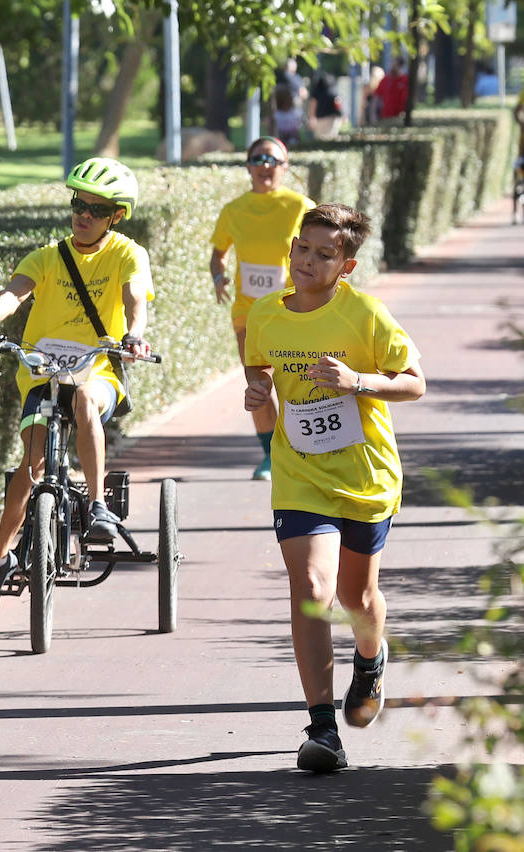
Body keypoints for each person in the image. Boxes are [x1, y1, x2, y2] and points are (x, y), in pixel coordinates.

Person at [243, 203, 426, 773]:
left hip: (365, 475)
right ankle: (323, 727)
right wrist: (258, 393)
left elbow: (416, 383)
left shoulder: (366, 315)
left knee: (357, 599)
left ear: (345, 266)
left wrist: (359, 381)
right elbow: (257, 363)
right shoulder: (267, 314)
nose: (308, 261)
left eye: (325, 255)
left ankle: (370, 659)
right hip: (300, 475)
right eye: (303, 248)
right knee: (312, 587)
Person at [0, 157, 153, 615]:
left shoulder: (128, 254)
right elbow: (16, 292)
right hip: (42, 375)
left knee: (86, 398)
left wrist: (134, 336)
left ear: (117, 216)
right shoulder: (48, 255)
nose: (83, 215)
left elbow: (134, 300)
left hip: (98, 372)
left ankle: (96, 506)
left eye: (96, 209)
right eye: (78, 204)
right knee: (30, 463)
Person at [209, 136, 315, 480]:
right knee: (257, 381)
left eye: (273, 160)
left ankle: (303, 449)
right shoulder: (234, 210)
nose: (265, 166)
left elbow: (324, 247)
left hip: (292, 309)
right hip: (249, 311)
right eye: (258, 158)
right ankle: (271, 455)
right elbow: (218, 253)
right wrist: (218, 277)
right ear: (248, 166)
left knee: (293, 381)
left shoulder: (300, 206)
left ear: (284, 168)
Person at [307, 72, 344, 140]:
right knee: (331, 139)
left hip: (320, 120)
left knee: (321, 140)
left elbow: (313, 105)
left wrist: (312, 118)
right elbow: (338, 105)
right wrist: (342, 116)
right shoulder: (333, 91)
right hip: (333, 119)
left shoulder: (317, 92)